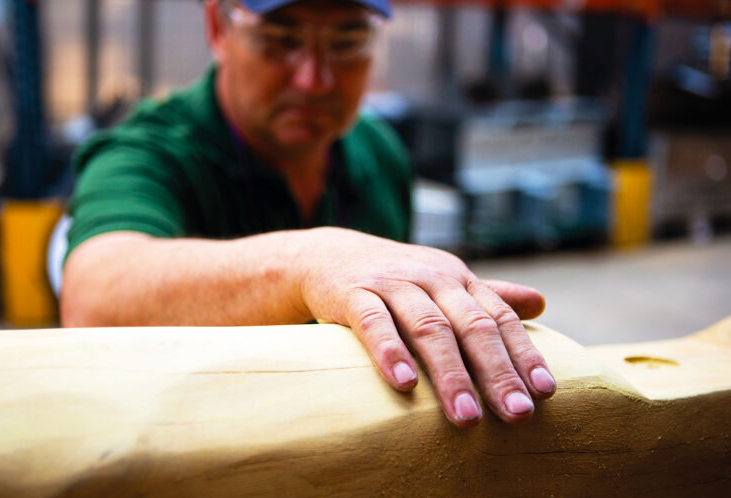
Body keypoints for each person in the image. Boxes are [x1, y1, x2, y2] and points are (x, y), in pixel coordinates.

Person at [61, 0, 557, 429]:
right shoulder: (148, 152)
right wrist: (312, 261)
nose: (314, 79)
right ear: (218, 26)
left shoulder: (378, 153)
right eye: (281, 39)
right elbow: (93, 294)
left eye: (346, 42)